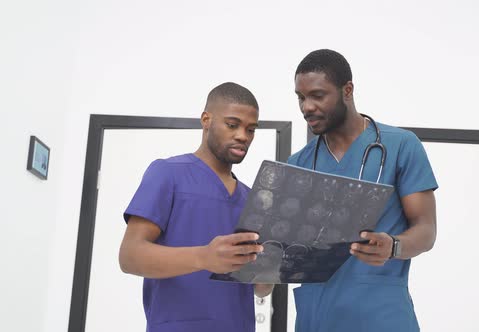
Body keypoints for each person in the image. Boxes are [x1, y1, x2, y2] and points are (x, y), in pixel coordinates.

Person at [288, 49, 438, 331]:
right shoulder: (298, 164)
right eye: (300, 97)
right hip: (317, 317)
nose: (306, 107)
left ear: (348, 90)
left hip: (381, 315)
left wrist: (393, 246)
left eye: (318, 95)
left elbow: (426, 230)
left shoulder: (401, 146)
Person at [119, 82, 273, 332]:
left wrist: (270, 269)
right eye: (232, 125)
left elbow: (261, 288)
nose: (243, 136)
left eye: (251, 129)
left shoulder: (252, 198)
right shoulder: (167, 174)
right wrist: (204, 257)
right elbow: (129, 256)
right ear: (206, 119)